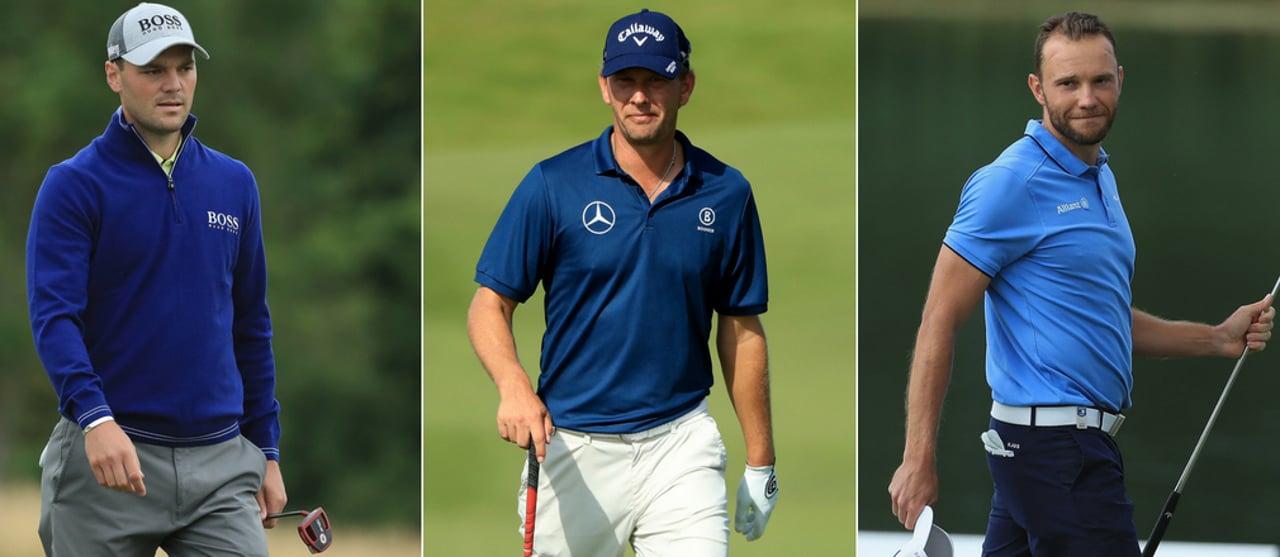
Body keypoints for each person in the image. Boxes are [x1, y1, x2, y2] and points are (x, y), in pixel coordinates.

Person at [886, 11, 1274, 557]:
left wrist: (1216, 338)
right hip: (1053, 452)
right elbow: (939, 320)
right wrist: (917, 457)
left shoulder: (1102, 177)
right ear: (1038, 89)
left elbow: (1099, 319)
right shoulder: (1009, 184)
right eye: (1068, 83)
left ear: (1120, 79)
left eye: (1100, 81)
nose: (1087, 98)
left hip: (1060, 451)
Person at [467, 9, 778, 556]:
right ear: (604, 88)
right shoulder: (552, 184)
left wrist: (761, 460)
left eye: (655, 79)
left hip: (680, 445)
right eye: (625, 81)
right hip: (572, 449)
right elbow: (489, 304)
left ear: (685, 85)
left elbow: (740, 327)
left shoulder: (726, 193)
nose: (640, 96)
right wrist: (514, 385)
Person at [26, 3, 287, 555]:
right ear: (114, 74)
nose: (173, 85)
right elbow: (55, 318)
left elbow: (251, 325)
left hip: (220, 465)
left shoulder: (233, 184)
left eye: (184, 68)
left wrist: (266, 451)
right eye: (153, 71)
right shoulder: (74, 186)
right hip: (109, 457)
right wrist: (94, 419)